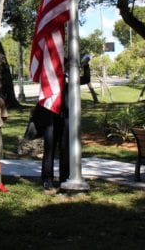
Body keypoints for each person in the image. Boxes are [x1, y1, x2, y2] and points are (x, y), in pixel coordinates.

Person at [40, 54, 91, 190]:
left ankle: (64, 177)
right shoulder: (51, 80)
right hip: (51, 118)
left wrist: (86, 65)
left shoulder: (71, 81)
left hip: (67, 118)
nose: (68, 68)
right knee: (49, 150)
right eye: (66, 65)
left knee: (65, 150)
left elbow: (86, 79)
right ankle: (47, 179)